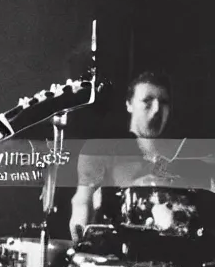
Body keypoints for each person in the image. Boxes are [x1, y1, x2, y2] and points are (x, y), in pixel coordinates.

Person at [69, 71, 215, 242]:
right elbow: (82, 201)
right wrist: (80, 234)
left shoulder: (191, 155)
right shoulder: (102, 149)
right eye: (147, 101)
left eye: (164, 102)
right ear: (129, 104)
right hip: (119, 257)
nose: (156, 110)